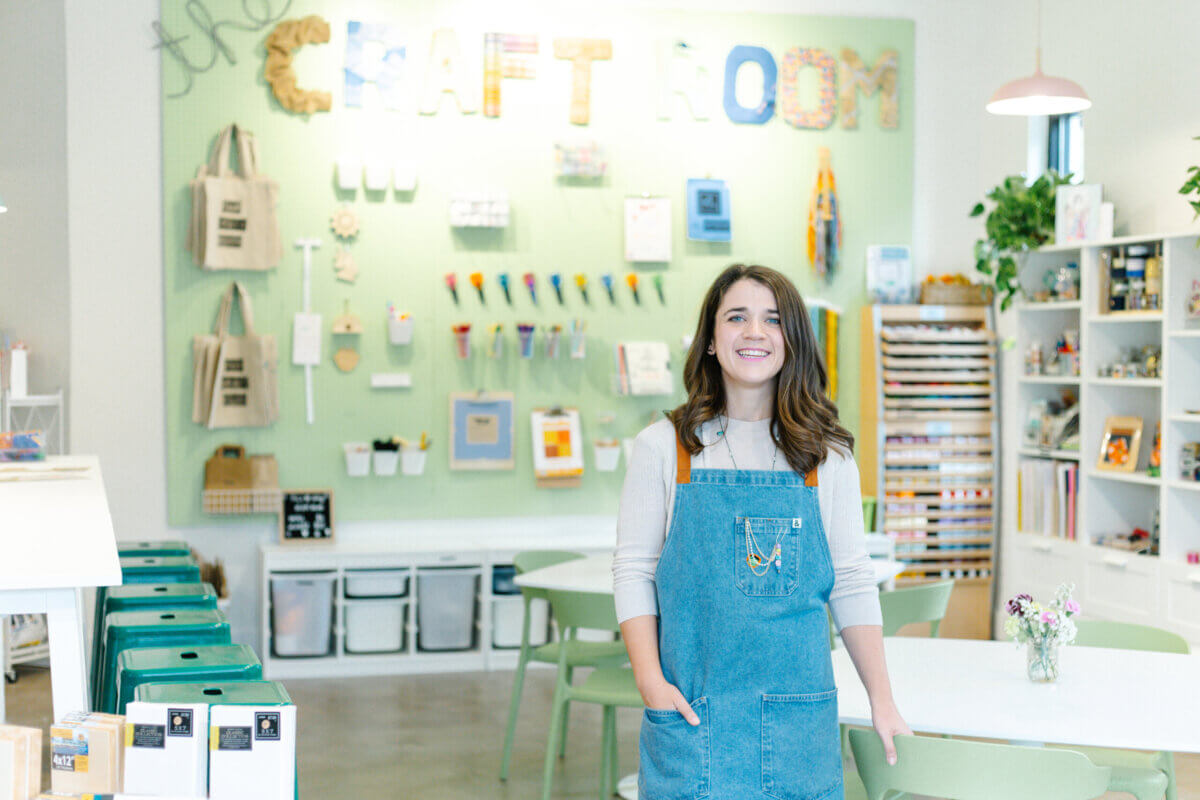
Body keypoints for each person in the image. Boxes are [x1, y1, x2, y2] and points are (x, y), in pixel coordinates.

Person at [613, 264, 909, 799]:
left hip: (800, 731)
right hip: (693, 720)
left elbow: (852, 582)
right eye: (736, 317)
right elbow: (633, 571)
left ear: (792, 340)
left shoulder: (828, 456)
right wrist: (650, 683)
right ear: (709, 340)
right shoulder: (663, 448)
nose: (754, 332)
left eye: (773, 320)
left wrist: (881, 701)